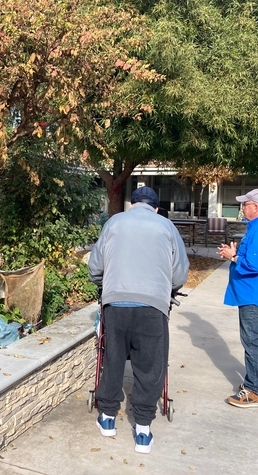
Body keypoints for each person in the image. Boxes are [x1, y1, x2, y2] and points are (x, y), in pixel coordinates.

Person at [88, 186, 189, 454]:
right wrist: (167, 290)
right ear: (156, 208)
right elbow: (180, 274)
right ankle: (143, 429)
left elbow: (95, 267)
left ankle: (108, 418)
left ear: (132, 205)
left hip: (116, 304)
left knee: (112, 358)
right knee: (150, 364)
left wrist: (106, 287)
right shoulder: (167, 226)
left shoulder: (114, 222)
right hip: (152, 307)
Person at [217, 188, 258, 408]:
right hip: (255, 292)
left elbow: (254, 265)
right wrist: (235, 254)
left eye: (245, 204)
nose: (242, 207)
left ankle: (253, 391)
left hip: (254, 294)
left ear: (256, 207)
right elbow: (252, 258)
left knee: (252, 341)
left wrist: (233, 256)